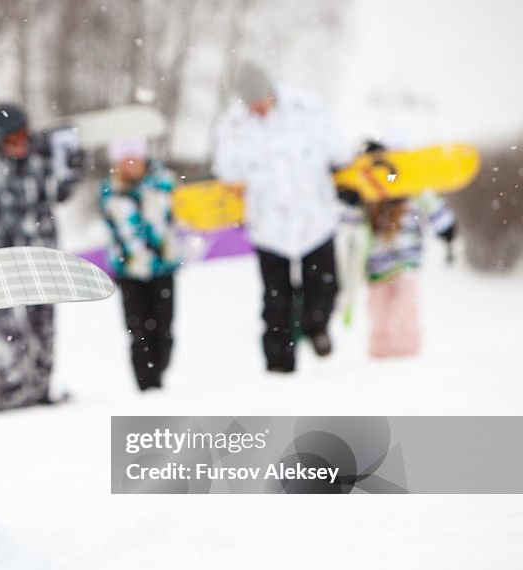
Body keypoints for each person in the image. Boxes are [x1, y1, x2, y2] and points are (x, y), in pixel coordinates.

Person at [0, 102, 84, 410]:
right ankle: (12, 395)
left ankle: (40, 390)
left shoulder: (41, 157)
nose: (20, 144)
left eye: (23, 135)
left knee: (42, 325)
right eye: (11, 139)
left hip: (42, 255)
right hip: (0, 259)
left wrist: (74, 164)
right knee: (7, 329)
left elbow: (61, 192)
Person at [212, 61, 350, 373]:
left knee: (324, 286)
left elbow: (338, 152)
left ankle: (317, 328)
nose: (258, 108)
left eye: (261, 100)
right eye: (251, 103)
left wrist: (343, 176)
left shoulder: (306, 109)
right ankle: (278, 363)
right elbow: (226, 174)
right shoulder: (233, 126)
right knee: (276, 301)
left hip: (315, 216)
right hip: (268, 225)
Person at [340, 141, 457, 357]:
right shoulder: (363, 192)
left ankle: (408, 351)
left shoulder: (405, 182)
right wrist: (350, 200)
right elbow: (347, 223)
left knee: (406, 306)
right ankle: (379, 351)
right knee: (378, 311)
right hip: (376, 262)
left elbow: (428, 200)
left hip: (407, 258)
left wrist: (446, 228)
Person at [99, 138, 181, 391]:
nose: (131, 165)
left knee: (164, 328)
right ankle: (147, 384)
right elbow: (121, 228)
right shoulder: (110, 193)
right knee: (138, 329)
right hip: (129, 271)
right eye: (125, 161)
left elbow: (171, 217)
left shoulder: (163, 185)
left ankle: (160, 367)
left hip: (162, 268)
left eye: (135, 159)